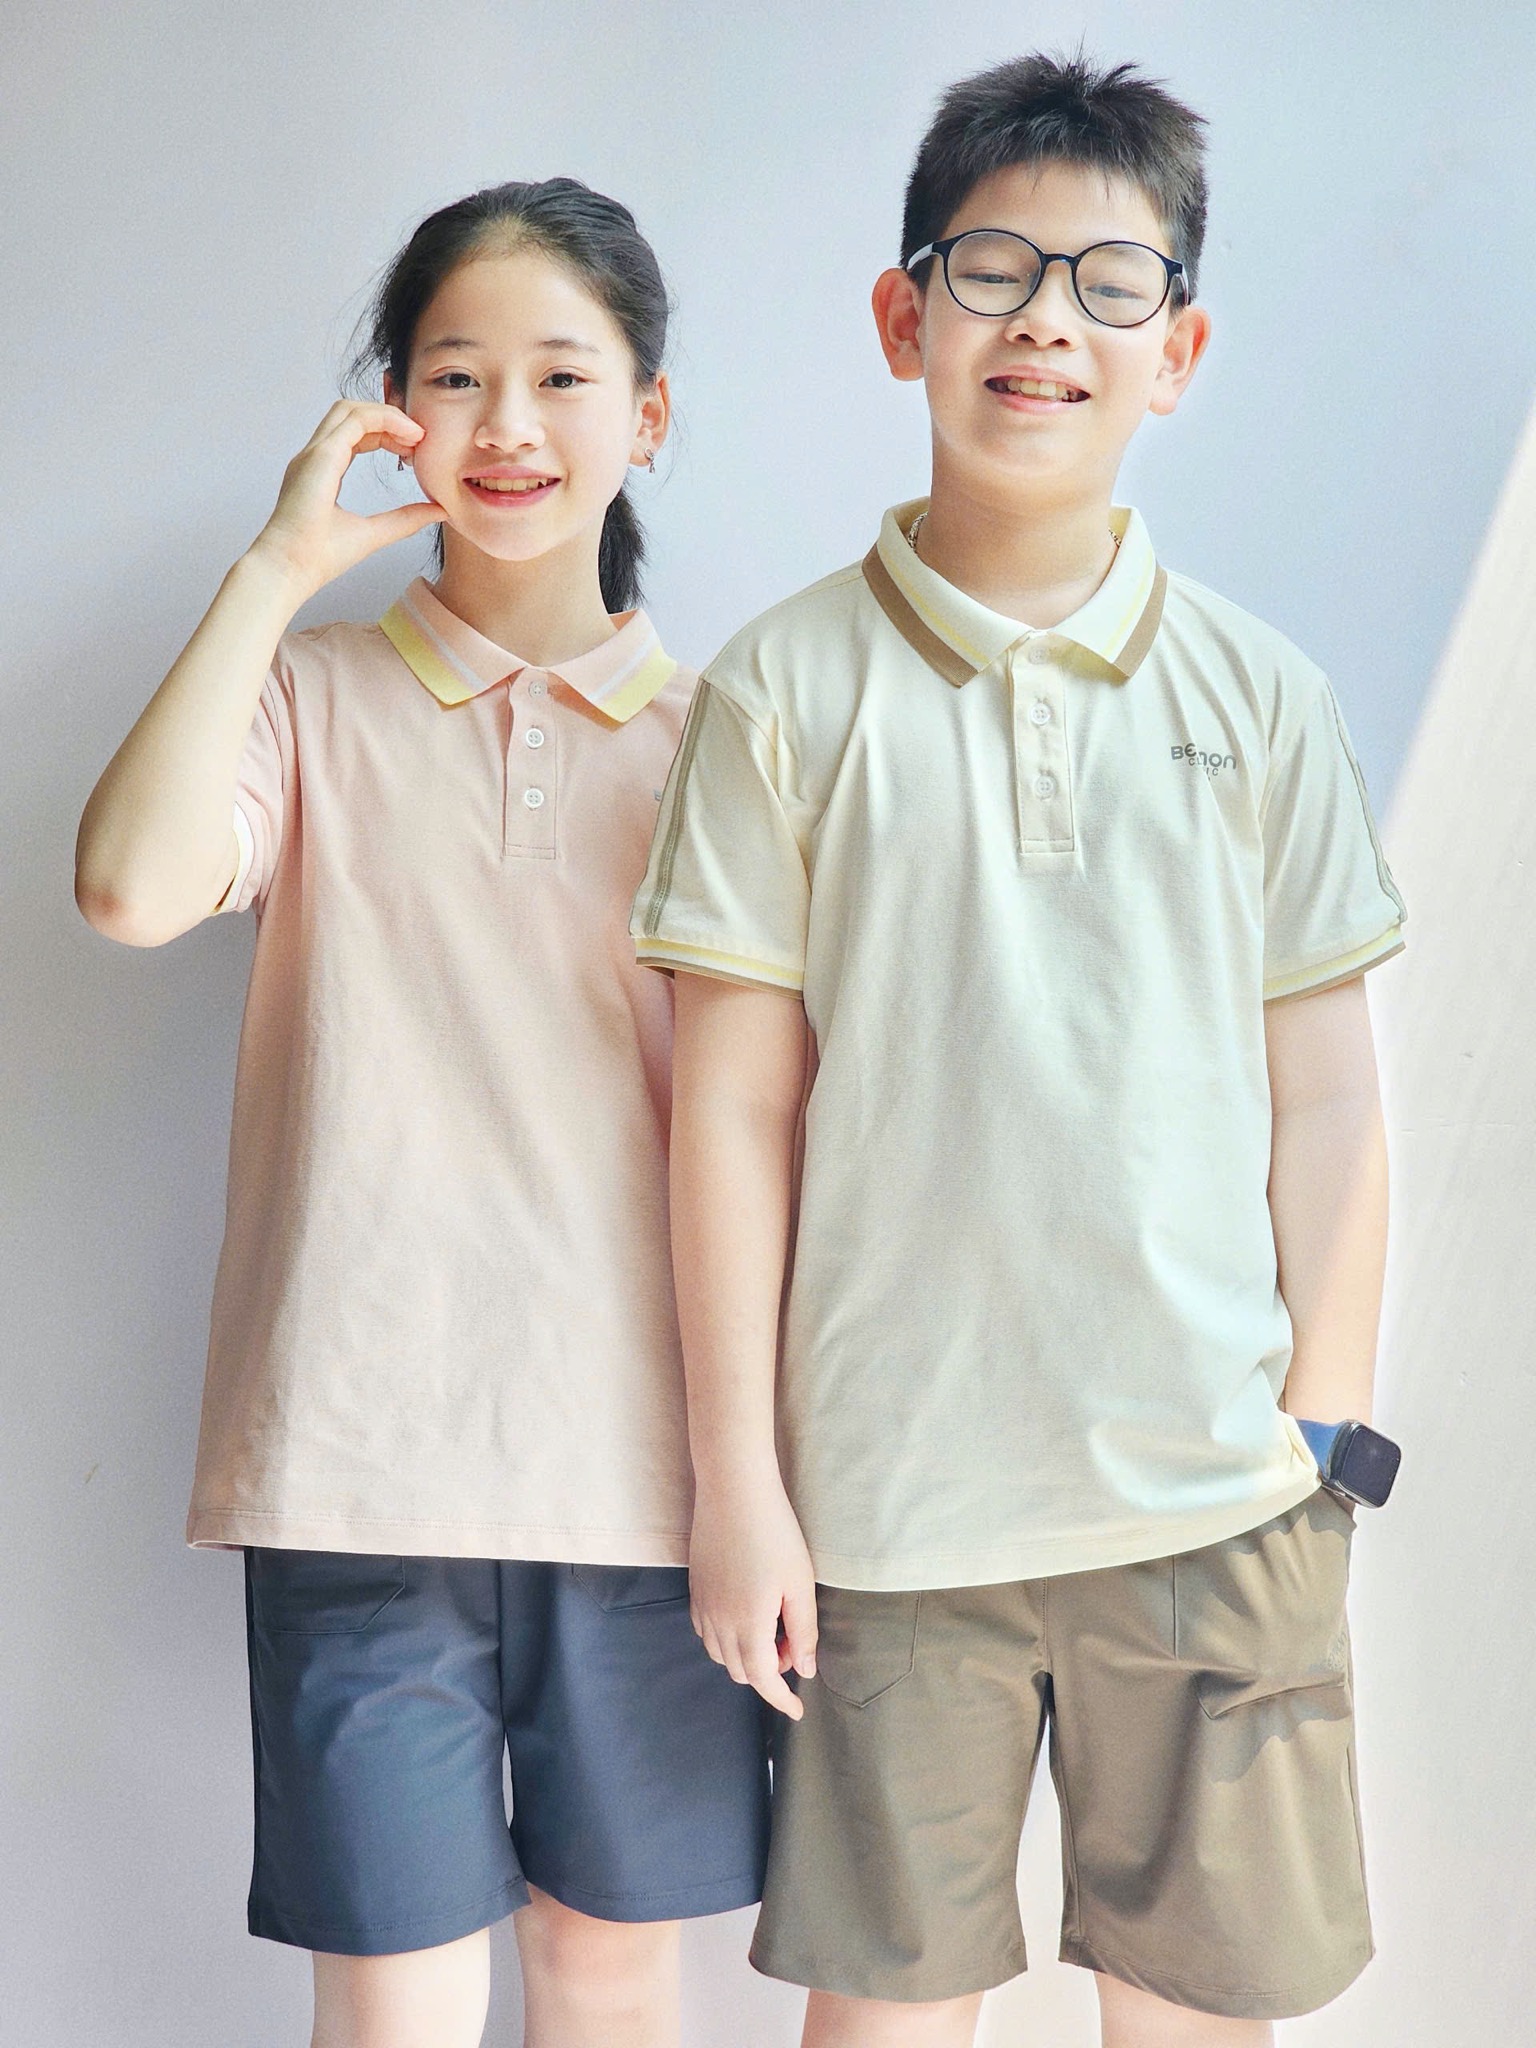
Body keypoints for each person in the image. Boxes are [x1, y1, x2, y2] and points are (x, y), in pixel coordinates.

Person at [634, 52, 1403, 2048]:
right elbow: (730, 1110)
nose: (1047, 320)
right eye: (993, 269)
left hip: (1214, 1506)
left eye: (1108, 282)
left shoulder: (1262, 695)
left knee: (1197, 2013)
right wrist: (741, 1482)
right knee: (888, 2019)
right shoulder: (782, 691)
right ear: (904, 319)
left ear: (1180, 351)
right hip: (893, 1514)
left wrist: (1319, 1446)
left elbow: (1330, 1099)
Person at [75, 177, 768, 2048]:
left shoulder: (733, 742)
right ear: (393, 413)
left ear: (650, 414)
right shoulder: (303, 699)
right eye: (456, 376)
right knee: (391, 2003)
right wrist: (275, 571)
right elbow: (128, 888)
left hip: (650, 1476)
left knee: (609, 1975)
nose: (509, 425)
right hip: (355, 1457)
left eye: (563, 375)